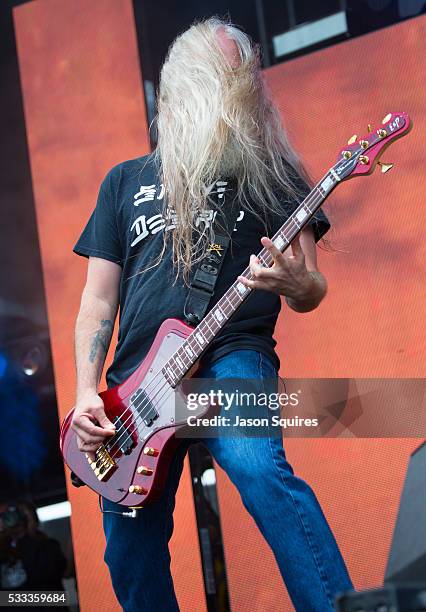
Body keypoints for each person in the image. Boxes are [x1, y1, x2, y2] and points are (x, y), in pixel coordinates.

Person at [71, 17, 353, 611]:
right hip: (136, 386)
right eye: (225, 77)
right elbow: (98, 300)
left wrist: (300, 284)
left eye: (245, 77)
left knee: (258, 469)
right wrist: (86, 392)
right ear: (183, 87)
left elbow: (311, 287)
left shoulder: (271, 172)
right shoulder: (125, 182)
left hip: (233, 351)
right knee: (129, 549)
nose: (241, 88)